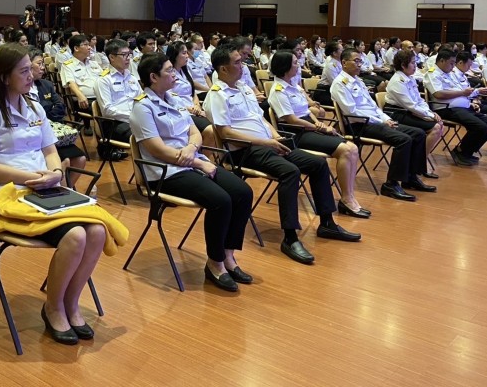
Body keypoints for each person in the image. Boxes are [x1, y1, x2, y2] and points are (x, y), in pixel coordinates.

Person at [0, 43, 110, 344]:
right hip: (8, 194)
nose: (31, 75)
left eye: (30, 70)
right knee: (76, 235)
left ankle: (71, 303)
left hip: (44, 188)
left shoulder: (34, 107)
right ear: (4, 77)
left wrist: (56, 172)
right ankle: (53, 308)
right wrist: (32, 178)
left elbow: (50, 151)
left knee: (97, 231)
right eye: (23, 71)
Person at [204, 45, 360, 266]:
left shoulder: (244, 89)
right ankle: (290, 237)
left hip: (268, 144)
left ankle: (327, 222)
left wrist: (276, 136)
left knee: (317, 164)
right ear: (223, 69)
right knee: (290, 171)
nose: (243, 65)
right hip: (244, 151)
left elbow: (261, 118)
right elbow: (225, 133)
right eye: (237, 62)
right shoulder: (217, 95)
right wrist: (266, 142)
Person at [131, 52, 254, 292]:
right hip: (165, 173)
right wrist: (198, 163)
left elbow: (194, 132)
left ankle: (228, 255)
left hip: (190, 161)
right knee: (221, 201)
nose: (175, 74)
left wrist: (191, 150)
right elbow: (157, 150)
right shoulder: (142, 107)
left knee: (242, 192)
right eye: (169, 70)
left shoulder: (175, 99)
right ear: (153, 77)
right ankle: (215, 263)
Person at [268, 51, 368, 218]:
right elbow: (291, 119)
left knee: (352, 148)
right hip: (297, 133)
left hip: (309, 126)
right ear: (285, 67)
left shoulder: (294, 86)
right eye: (295, 63)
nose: (298, 65)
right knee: (346, 150)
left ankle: (349, 196)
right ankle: (347, 199)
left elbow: (306, 111)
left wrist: (319, 123)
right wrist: (318, 127)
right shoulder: (278, 90)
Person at [330, 47, 434, 202]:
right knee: (404, 140)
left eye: (360, 61)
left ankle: (410, 177)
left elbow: (374, 107)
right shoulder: (340, 83)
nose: (359, 64)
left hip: (375, 121)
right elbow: (352, 112)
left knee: (418, 133)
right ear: (344, 63)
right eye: (356, 61)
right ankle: (391, 184)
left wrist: (385, 119)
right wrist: (381, 121)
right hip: (359, 125)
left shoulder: (358, 81)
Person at [424, 49, 487, 161]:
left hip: (464, 107)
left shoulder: (449, 74)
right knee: (481, 126)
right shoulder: (432, 73)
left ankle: (466, 151)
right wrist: (463, 94)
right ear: (442, 61)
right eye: (451, 63)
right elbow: (438, 94)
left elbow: (463, 91)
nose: (453, 66)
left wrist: (471, 101)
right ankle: (461, 152)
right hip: (447, 109)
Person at [27, 48, 87, 173]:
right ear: (27, 65)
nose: (43, 67)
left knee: (80, 159)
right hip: (33, 135)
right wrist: (48, 111)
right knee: (63, 162)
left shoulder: (46, 84)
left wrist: (47, 116)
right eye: (39, 63)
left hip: (53, 130)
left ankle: (63, 183)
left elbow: (60, 106)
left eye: (43, 63)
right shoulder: (20, 89)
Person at [383, 49, 445, 166]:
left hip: (408, 111)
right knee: (436, 128)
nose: (415, 65)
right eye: (412, 63)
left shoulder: (410, 78)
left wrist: (429, 112)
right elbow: (410, 105)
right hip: (396, 113)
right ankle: (418, 163)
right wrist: (429, 115)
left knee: (439, 125)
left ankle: (419, 162)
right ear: (403, 65)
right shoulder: (397, 81)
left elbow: (419, 100)